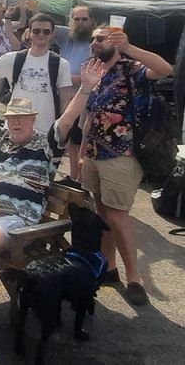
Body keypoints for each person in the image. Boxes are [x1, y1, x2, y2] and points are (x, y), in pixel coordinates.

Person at [0, 52, 103, 317]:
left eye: (22, 118)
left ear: (33, 119)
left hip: (14, 220)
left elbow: (69, 117)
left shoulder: (47, 144)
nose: (15, 122)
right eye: (11, 117)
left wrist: (85, 87)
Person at [80, 26, 173, 306]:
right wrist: (83, 150)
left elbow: (166, 69)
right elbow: (91, 114)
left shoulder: (132, 67)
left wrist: (130, 47)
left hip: (123, 154)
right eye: (93, 39)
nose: (96, 42)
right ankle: (109, 268)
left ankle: (135, 279)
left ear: (115, 41)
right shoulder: (94, 71)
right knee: (102, 213)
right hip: (96, 153)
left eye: (102, 38)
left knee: (119, 216)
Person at [0, 13, 73, 133]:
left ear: (52, 34)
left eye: (46, 31)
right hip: (13, 129)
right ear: (29, 33)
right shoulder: (15, 58)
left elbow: (65, 101)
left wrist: (60, 132)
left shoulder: (61, 64)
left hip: (44, 132)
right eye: (36, 31)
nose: (41, 34)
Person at [54, 5, 96, 183]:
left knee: (81, 139)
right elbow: (43, 25)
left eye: (84, 19)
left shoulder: (97, 41)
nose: (80, 23)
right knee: (69, 137)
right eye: (76, 19)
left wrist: (70, 78)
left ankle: (81, 179)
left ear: (92, 21)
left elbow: (97, 72)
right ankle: (73, 177)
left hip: (87, 96)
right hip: (65, 94)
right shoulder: (66, 35)